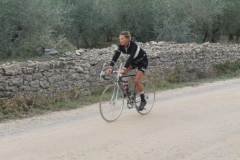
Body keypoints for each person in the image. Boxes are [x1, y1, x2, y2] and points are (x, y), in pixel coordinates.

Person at [105, 31, 148, 111]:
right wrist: (111, 67)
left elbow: (129, 59)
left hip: (142, 62)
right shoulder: (121, 46)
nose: (120, 40)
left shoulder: (133, 46)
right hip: (134, 62)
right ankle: (127, 90)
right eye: (119, 39)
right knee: (124, 72)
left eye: (122, 39)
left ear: (128, 39)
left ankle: (143, 100)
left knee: (136, 80)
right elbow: (115, 56)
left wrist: (124, 68)